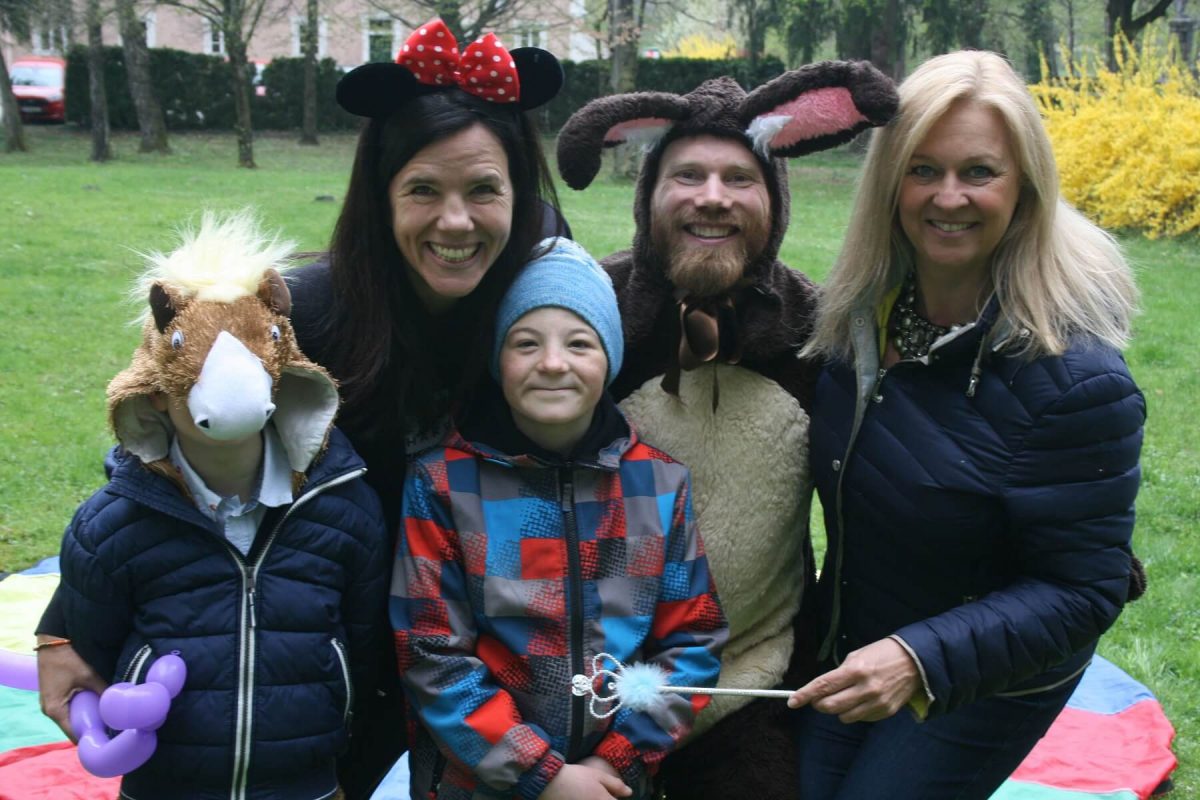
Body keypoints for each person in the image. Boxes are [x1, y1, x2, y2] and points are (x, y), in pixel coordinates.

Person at [35, 18, 566, 798]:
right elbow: (166, 437)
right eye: (424, 189)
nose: (456, 221)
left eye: (484, 189)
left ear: (519, 196)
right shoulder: (304, 317)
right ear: (380, 197)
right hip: (316, 657)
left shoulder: (544, 322)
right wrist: (65, 623)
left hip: (483, 660)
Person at [787, 50, 1146, 799]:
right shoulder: (854, 324)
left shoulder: (1078, 381)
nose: (948, 196)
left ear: (1024, 189)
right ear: (889, 183)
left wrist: (918, 659)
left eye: (979, 172)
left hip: (995, 672)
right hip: (858, 637)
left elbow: (1084, 589)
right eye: (923, 169)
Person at [554, 63, 897, 799]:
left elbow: (916, 443)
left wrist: (1052, 530)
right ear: (649, 196)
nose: (712, 198)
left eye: (739, 179)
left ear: (774, 201)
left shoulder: (821, 329)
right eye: (687, 176)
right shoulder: (588, 314)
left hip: (750, 680)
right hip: (584, 680)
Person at [56, 213, 389, 799]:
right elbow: (91, 656)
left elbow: (365, 648)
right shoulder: (111, 528)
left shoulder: (344, 510)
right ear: (155, 391)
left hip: (307, 785)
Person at [392, 238, 728, 800]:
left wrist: (617, 759)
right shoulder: (442, 485)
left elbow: (692, 640)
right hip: (476, 784)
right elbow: (429, 652)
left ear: (609, 359)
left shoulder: (660, 485)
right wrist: (541, 777)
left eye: (579, 343)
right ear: (498, 359)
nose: (552, 363)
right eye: (525, 343)